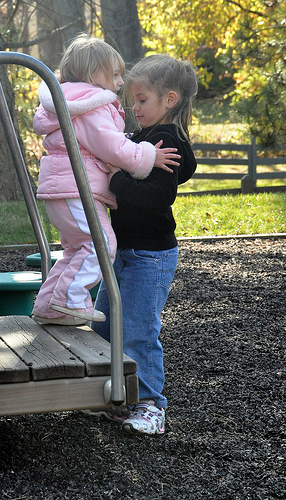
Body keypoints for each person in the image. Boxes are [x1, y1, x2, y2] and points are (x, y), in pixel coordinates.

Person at [31, 34, 180, 326]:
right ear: (92, 75)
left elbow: (95, 143)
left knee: (76, 249)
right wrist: (147, 155)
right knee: (101, 244)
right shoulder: (92, 104)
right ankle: (69, 300)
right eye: (114, 74)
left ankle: (48, 305)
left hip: (63, 190)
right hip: (77, 190)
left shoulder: (68, 102)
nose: (120, 82)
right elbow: (110, 145)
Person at [90, 54, 198, 435]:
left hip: (149, 256)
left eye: (141, 100)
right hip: (125, 253)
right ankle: (116, 396)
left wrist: (118, 181)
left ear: (169, 99)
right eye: (132, 101)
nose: (134, 109)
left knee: (137, 329)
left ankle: (152, 405)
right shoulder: (146, 137)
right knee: (104, 328)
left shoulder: (166, 139)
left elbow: (158, 195)